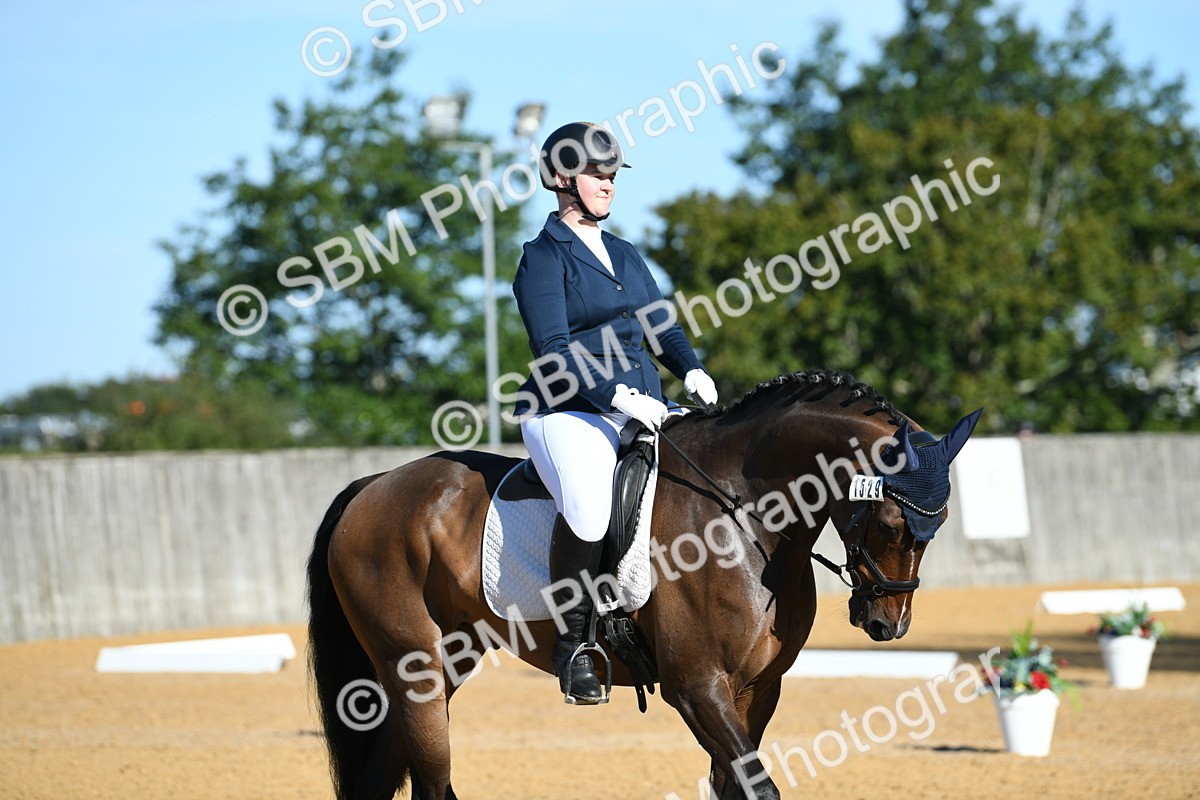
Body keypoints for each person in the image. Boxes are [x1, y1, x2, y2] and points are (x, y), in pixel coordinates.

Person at [512, 122, 718, 704]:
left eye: (611, 176)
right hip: (568, 409)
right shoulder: (543, 260)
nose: (608, 184)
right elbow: (552, 351)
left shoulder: (624, 253)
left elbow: (661, 326)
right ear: (561, 179)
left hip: (646, 404)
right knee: (588, 505)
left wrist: (691, 369)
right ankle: (574, 644)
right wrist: (614, 398)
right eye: (596, 175)